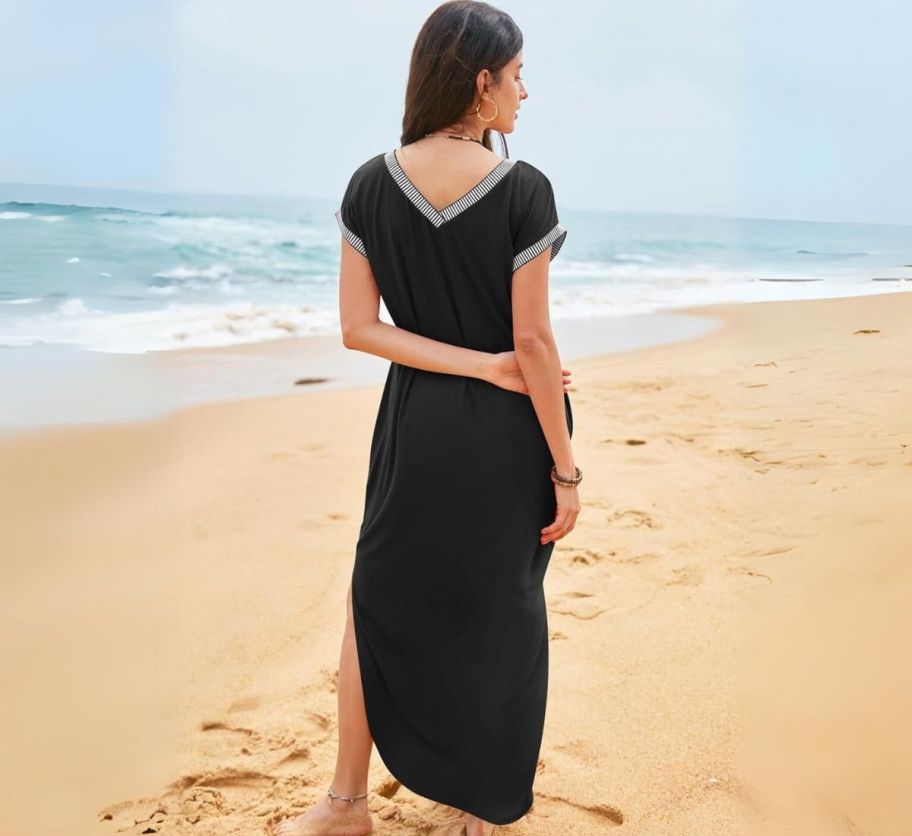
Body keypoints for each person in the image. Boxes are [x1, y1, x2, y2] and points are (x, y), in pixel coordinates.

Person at [274, 2, 579, 834]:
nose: (526, 91)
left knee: (377, 602)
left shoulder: (371, 182)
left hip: (413, 425)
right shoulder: (523, 187)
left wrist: (469, 363)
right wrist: (564, 467)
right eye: (517, 75)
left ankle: (345, 803)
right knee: (499, 609)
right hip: (508, 433)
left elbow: (360, 329)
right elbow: (532, 341)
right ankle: (483, 807)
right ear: (481, 84)